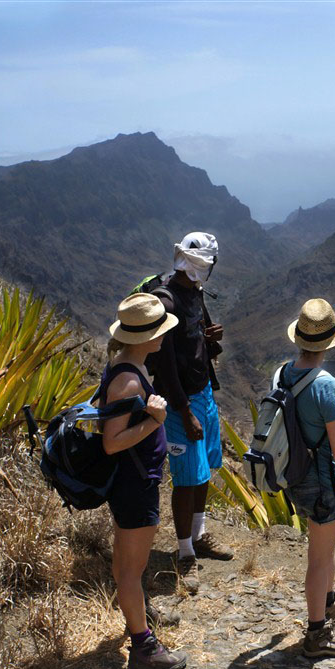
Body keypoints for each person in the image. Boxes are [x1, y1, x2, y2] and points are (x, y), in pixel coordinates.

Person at [101, 293, 187, 669]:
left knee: (126, 568)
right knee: (131, 571)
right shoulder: (127, 382)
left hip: (130, 483)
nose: (163, 337)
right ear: (144, 337)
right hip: (135, 486)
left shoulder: (125, 367)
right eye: (159, 332)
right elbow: (112, 441)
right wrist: (155, 420)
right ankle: (143, 646)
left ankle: (138, 625)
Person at [278, 298, 335, 658]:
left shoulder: (284, 372)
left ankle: (329, 603)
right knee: (320, 558)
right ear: (329, 342)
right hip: (324, 483)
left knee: (321, 551)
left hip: (294, 475)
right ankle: (317, 635)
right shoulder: (326, 385)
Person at [150, 232, 234, 577]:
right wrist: (184, 413)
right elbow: (164, 366)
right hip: (178, 404)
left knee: (201, 473)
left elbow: (193, 342)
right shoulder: (166, 301)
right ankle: (185, 553)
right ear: (200, 264)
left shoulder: (194, 294)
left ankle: (198, 537)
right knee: (185, 479)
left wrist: (209, 337)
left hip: (202, 395)